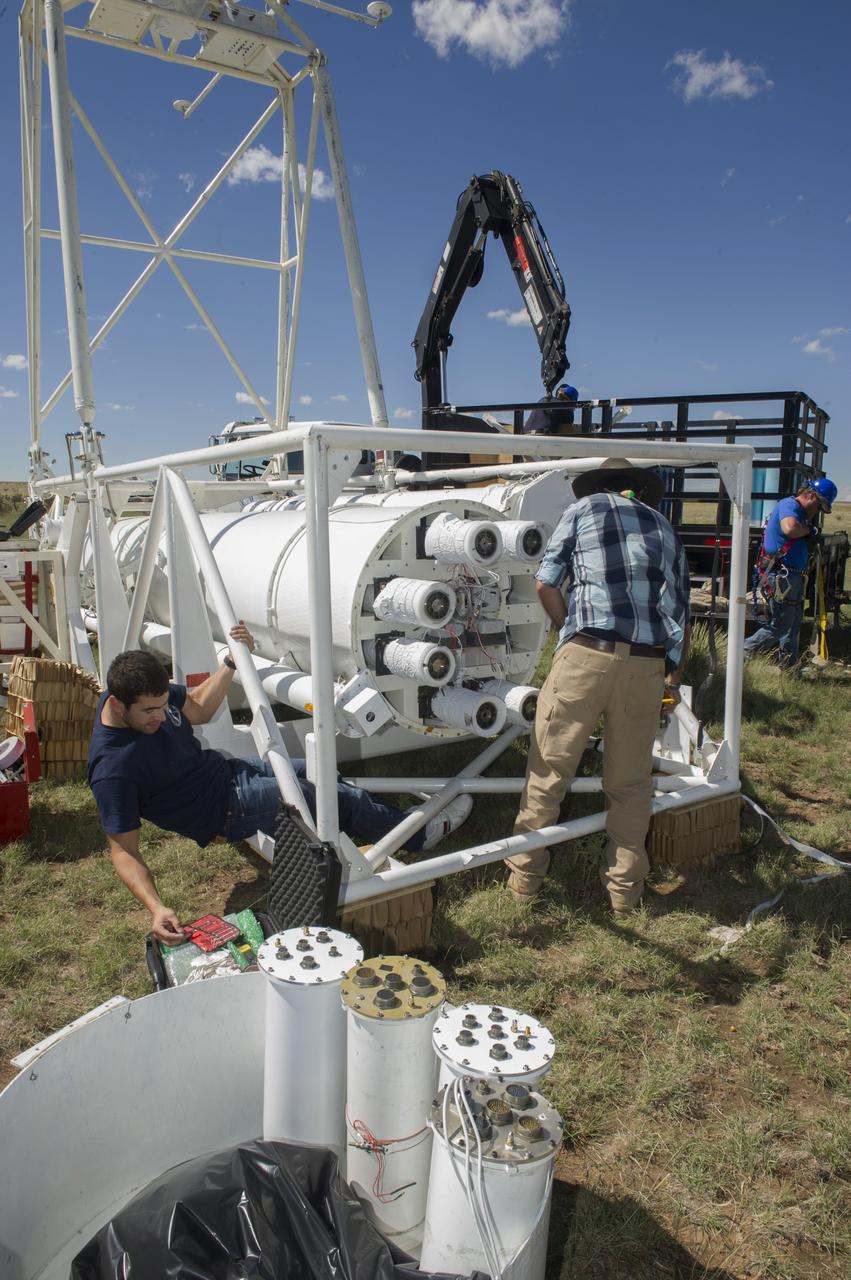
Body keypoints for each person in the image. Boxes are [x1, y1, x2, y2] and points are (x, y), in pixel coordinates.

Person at [88, 625, 471, 942]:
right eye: (149, 712)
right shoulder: (114, 768)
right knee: (325, 797)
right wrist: (157, 908)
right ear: (118, 705)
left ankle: (379, 830)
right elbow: (123, 851)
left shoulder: (139, 691)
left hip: (226, 773)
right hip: (223, 808)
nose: (159, 716)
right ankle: (418, 836)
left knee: (322, 775)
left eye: (161, 706)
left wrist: (229, 663)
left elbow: (199, 708)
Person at [505, 458, 691, 916]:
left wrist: (568, 630)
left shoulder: (585, 508)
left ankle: (524, 883)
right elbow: (678, 613)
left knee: (548, 774)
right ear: (637, 489)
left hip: (586, 656)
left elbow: (546, 581)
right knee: (630, 785)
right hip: (646, 666)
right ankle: (625, 895)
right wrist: (671, 679)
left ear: (600, 485)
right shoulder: (664, 526)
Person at [744, 476, 837, 669]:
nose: (817, 511)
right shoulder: (789, 505)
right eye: (819, 506)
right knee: (781, 623)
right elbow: (789, 528)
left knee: (793, 623)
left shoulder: (800, 514)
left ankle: (790, 667)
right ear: (811, 496)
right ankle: (744, 651)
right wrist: (809, 531)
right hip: (782, 575)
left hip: (791, 576)